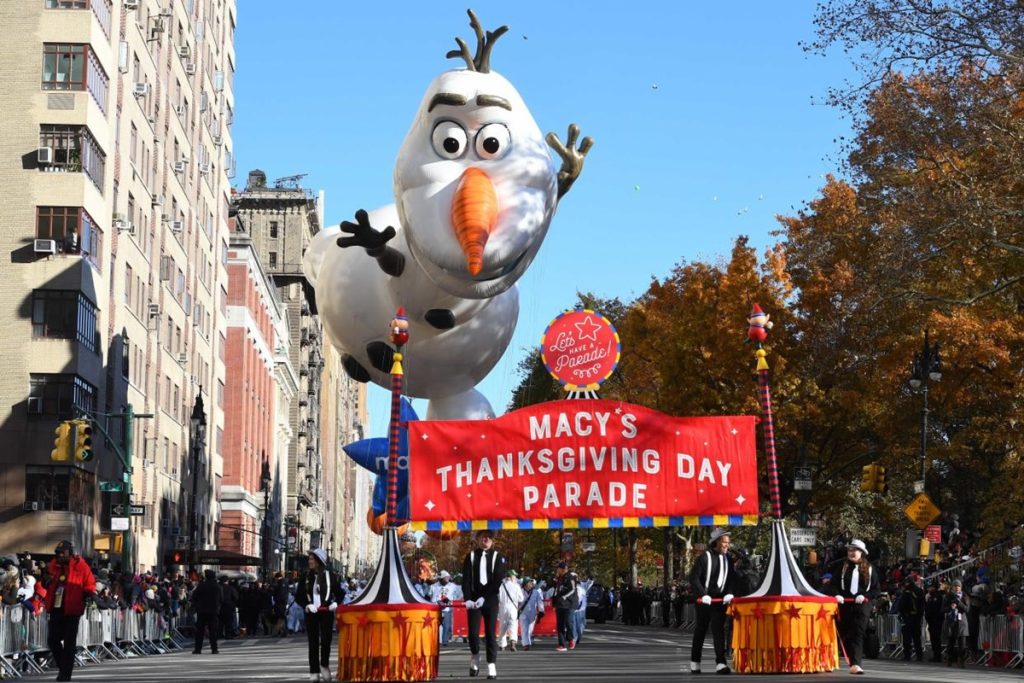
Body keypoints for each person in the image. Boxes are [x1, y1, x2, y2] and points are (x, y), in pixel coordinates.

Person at [43, 540, 95, 681]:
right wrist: (46, 580)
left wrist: (88, 595)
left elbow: (90, 584)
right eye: (57, 553)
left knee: (69, 642)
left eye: (62, 553)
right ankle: (63, 667)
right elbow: (47, 580)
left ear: (70, 553)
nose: (59, 555)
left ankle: (65, 674)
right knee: (52, 640)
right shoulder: (54, 565)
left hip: (72, 609)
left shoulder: (81, 566)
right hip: (56, 608)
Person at [460, 529, 507, 680]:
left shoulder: (497, 557)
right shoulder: (471, 556)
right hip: (474, 600)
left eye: (488, 537)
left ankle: (491, 664)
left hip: (490, 600)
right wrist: (467, 598)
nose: (485, 539)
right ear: (478, 539)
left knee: (490, 634)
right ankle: (474, 657)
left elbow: (497, 581)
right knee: (473, 634)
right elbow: (466, 580)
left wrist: (484, 598)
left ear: (492, 540)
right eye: (482, 537)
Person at [689, 527, 735, 675]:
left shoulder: (728, 559)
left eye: (728, 542)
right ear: (716, 542)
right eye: (724, 542)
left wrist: (729, 593)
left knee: (718, 631)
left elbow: (731, 580)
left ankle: (721, 663)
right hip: (705, 601)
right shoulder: (705, 557)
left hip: (719, 601)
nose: (727, 545)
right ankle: (695, 662)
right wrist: (703, 595)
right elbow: (694, 578)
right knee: (701, 631)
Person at [834, 539, 880, 675]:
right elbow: (832, 584)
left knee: (857, 633)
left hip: (862, 605)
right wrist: (836, 595)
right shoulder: (842, 567)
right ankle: (839, 659)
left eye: (855, 550)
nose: (851, 553)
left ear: (861, 553)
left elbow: (876, 589)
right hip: (844, 604)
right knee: (843, 633)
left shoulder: (871, 569)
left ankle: (856, 664)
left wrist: (865, 596)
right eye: (849, 550)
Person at [294, 548, 340, 681]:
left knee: (326, 641)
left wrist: (335, 603)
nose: (309, 561)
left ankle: (324, 665)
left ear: (319, 561)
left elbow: (340, 593)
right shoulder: (305, 576)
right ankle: (313, 671)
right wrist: (307, 605)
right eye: (309, 559)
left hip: (326, 613)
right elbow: (299, 596)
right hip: (311, 613)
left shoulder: (330, 576)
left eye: (312, 559)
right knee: (313, 643)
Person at [192, 569, 222, 655]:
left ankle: (198, 649)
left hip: (202, 611)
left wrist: (197, 605)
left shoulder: (201, 585)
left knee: (200, 631)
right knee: (213, 631)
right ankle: (214, 649)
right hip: (213, 611)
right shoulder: (217, 586)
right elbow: (221, 599)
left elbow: (194, 597)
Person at [429, 570, 461, 646]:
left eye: (447, 578)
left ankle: (445, 642)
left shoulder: (453, 586)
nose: (447, 579)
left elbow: (458, 596)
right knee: (435, 626)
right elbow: (430, 596)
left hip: (447, 609)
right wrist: (436, 601)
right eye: (445, 578)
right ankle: (434, 641)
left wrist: (451, 601)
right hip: (436, 609)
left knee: (446, 626)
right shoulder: (433, 586)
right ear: (441, 579)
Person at [896, 575, 925, 662]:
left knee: (907, 638)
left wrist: (901, 614)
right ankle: (919, 656)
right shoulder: (919, 591)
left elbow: (902, 605)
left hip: (908, 616)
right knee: (917, 638)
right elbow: (922, 605)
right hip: (917, 617)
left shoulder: (907, 592)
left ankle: (907, 655)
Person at [552, 562, 579, 651]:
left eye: (558, 568)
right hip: (560, 604)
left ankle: (570, 638)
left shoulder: (570, 577)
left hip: (569, 604)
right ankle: (562, 645)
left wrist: (564, 597)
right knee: (560, 624)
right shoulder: (558, 578)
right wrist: (554, 603)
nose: (557, 570)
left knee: (568, 622)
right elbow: (556, 591)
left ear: (563, 569)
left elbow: (573, 589)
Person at [942, 579, 969, 668]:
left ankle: (962, 661)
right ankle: (949, 659)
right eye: (955, 586)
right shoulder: (948, 596)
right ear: (952, 587)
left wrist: (958, 602)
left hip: (962, 622)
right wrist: (950, 607)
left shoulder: (965, 596)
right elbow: (942, 609)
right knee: (951, 642)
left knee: (963, 643)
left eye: (959, 586)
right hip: (951, 622)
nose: (957, 588)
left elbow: (966, 609)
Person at [497, 570, 524, 651]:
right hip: (513, 608)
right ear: (511, 577)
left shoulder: (501, 586)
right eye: (514, 576)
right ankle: (512, 643)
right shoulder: (516, 586)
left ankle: (502, 645)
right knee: (513, 626)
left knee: (502, 627)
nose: (515, 578)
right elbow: (521, 599)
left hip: (503, 608)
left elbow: (499, 598)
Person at [518, 577, 544, 650]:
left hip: (533, 613)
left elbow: (540, 602)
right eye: (529, 582)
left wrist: (541, 611)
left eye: (531, 582)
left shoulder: (536, 592)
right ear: (525, 584)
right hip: (523, 613)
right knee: (525, 628)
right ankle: (526, 644)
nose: (531, 584)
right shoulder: (520, 591)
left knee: (530, 630)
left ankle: (527, 641)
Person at [924, 582, 946, 662]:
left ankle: (938, 655)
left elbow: (937, 609)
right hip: (931, 621)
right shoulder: (930, 597)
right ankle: (935, 655)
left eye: (930, 587)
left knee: (936, 638)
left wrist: (934, 617)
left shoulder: (938, 596)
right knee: (933, 639)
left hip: (936, 620)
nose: (928, 589)